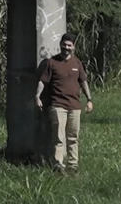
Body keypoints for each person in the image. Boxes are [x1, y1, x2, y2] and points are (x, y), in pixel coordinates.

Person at [35, 33, 94, 173]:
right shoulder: (52, 63)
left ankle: (73, 165)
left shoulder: (77, 63)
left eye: (69, 45)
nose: (66, 47)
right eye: (64, 44)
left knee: (73, 137)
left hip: (75, 106)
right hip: (58, 105)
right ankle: (58, 165)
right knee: (59, 138)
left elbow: (83, 82)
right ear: (60, 44)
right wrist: (37, 96)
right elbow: (43, 82)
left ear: (73, 47)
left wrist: (90, 100)